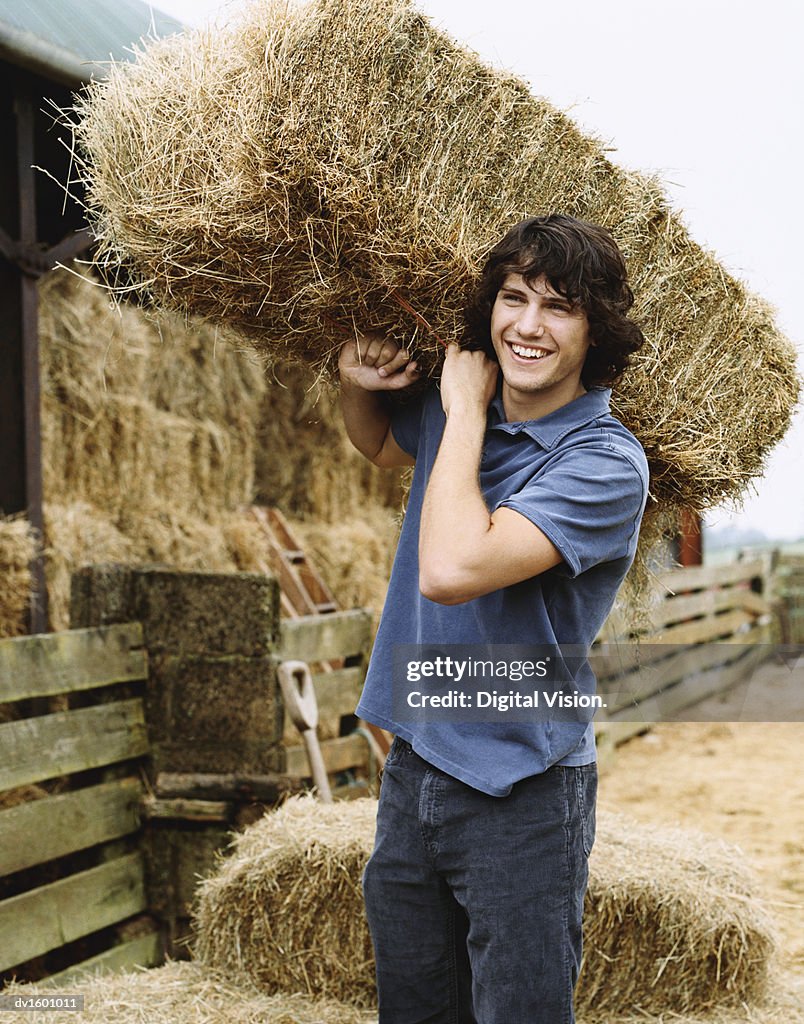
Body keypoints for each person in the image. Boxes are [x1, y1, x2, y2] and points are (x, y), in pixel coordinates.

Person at [338, 214, 649, 1023]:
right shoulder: (457, 407)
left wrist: (464, 411)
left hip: (523, 787)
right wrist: (355, 381)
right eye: (514, 298)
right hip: (417, 764)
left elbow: (451, 571)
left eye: (560, 307)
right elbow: (376, 446)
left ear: (596, 329)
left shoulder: (604, 463)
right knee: (414, 1007)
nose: (528, 325)